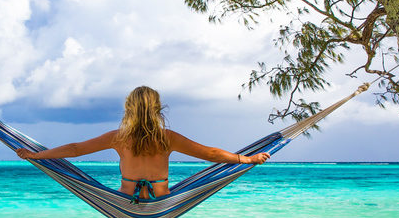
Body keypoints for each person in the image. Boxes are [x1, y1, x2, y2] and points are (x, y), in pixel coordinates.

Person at [16, 86, 270, 206]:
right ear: (158, 109)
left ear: (128, 108)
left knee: (124, 204)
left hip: (126, 203)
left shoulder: (118, 136)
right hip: (162, 203)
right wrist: (247, 159)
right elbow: (211, 154)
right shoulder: (167, 137)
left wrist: (38, 155)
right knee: (149, 209)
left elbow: (74, 149)